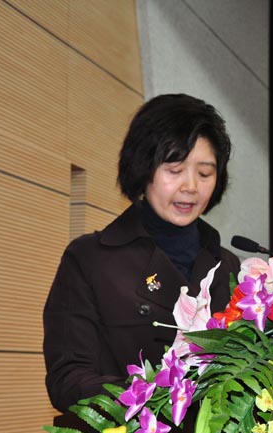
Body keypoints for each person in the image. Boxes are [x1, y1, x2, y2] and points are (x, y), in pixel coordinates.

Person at [43, 93, 241, 414]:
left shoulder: (228, 267)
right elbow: (67, 380)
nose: (191, 186)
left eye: (205, 173)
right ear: (143, 167)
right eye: (174, 170)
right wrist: (155, 396)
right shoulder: (90, 259)